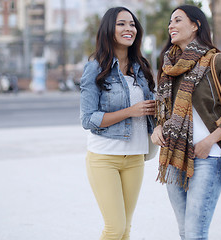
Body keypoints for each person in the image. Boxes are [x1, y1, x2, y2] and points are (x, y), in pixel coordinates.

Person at [150, 5, 221, 240]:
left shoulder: (218, 62)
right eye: (169, 22)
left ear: (196, 25)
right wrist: (157, 128)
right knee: (186, 233)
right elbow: (162, 112)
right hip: (174, 158)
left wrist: (209, 141)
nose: (170, 26)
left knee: (195, 233)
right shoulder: (168, 68)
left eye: (177, 20)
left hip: (208, 157)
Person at [79, 7, 155, 240]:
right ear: (109, 29)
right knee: (114, 228)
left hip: (135, 158)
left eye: (132, 24)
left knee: (126, 229)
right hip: (104, 157)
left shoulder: (141, 67)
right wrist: (130, 112)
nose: (128, 29)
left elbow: (150, 108)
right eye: (121, 24)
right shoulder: (95, 67)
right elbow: (88, 119)